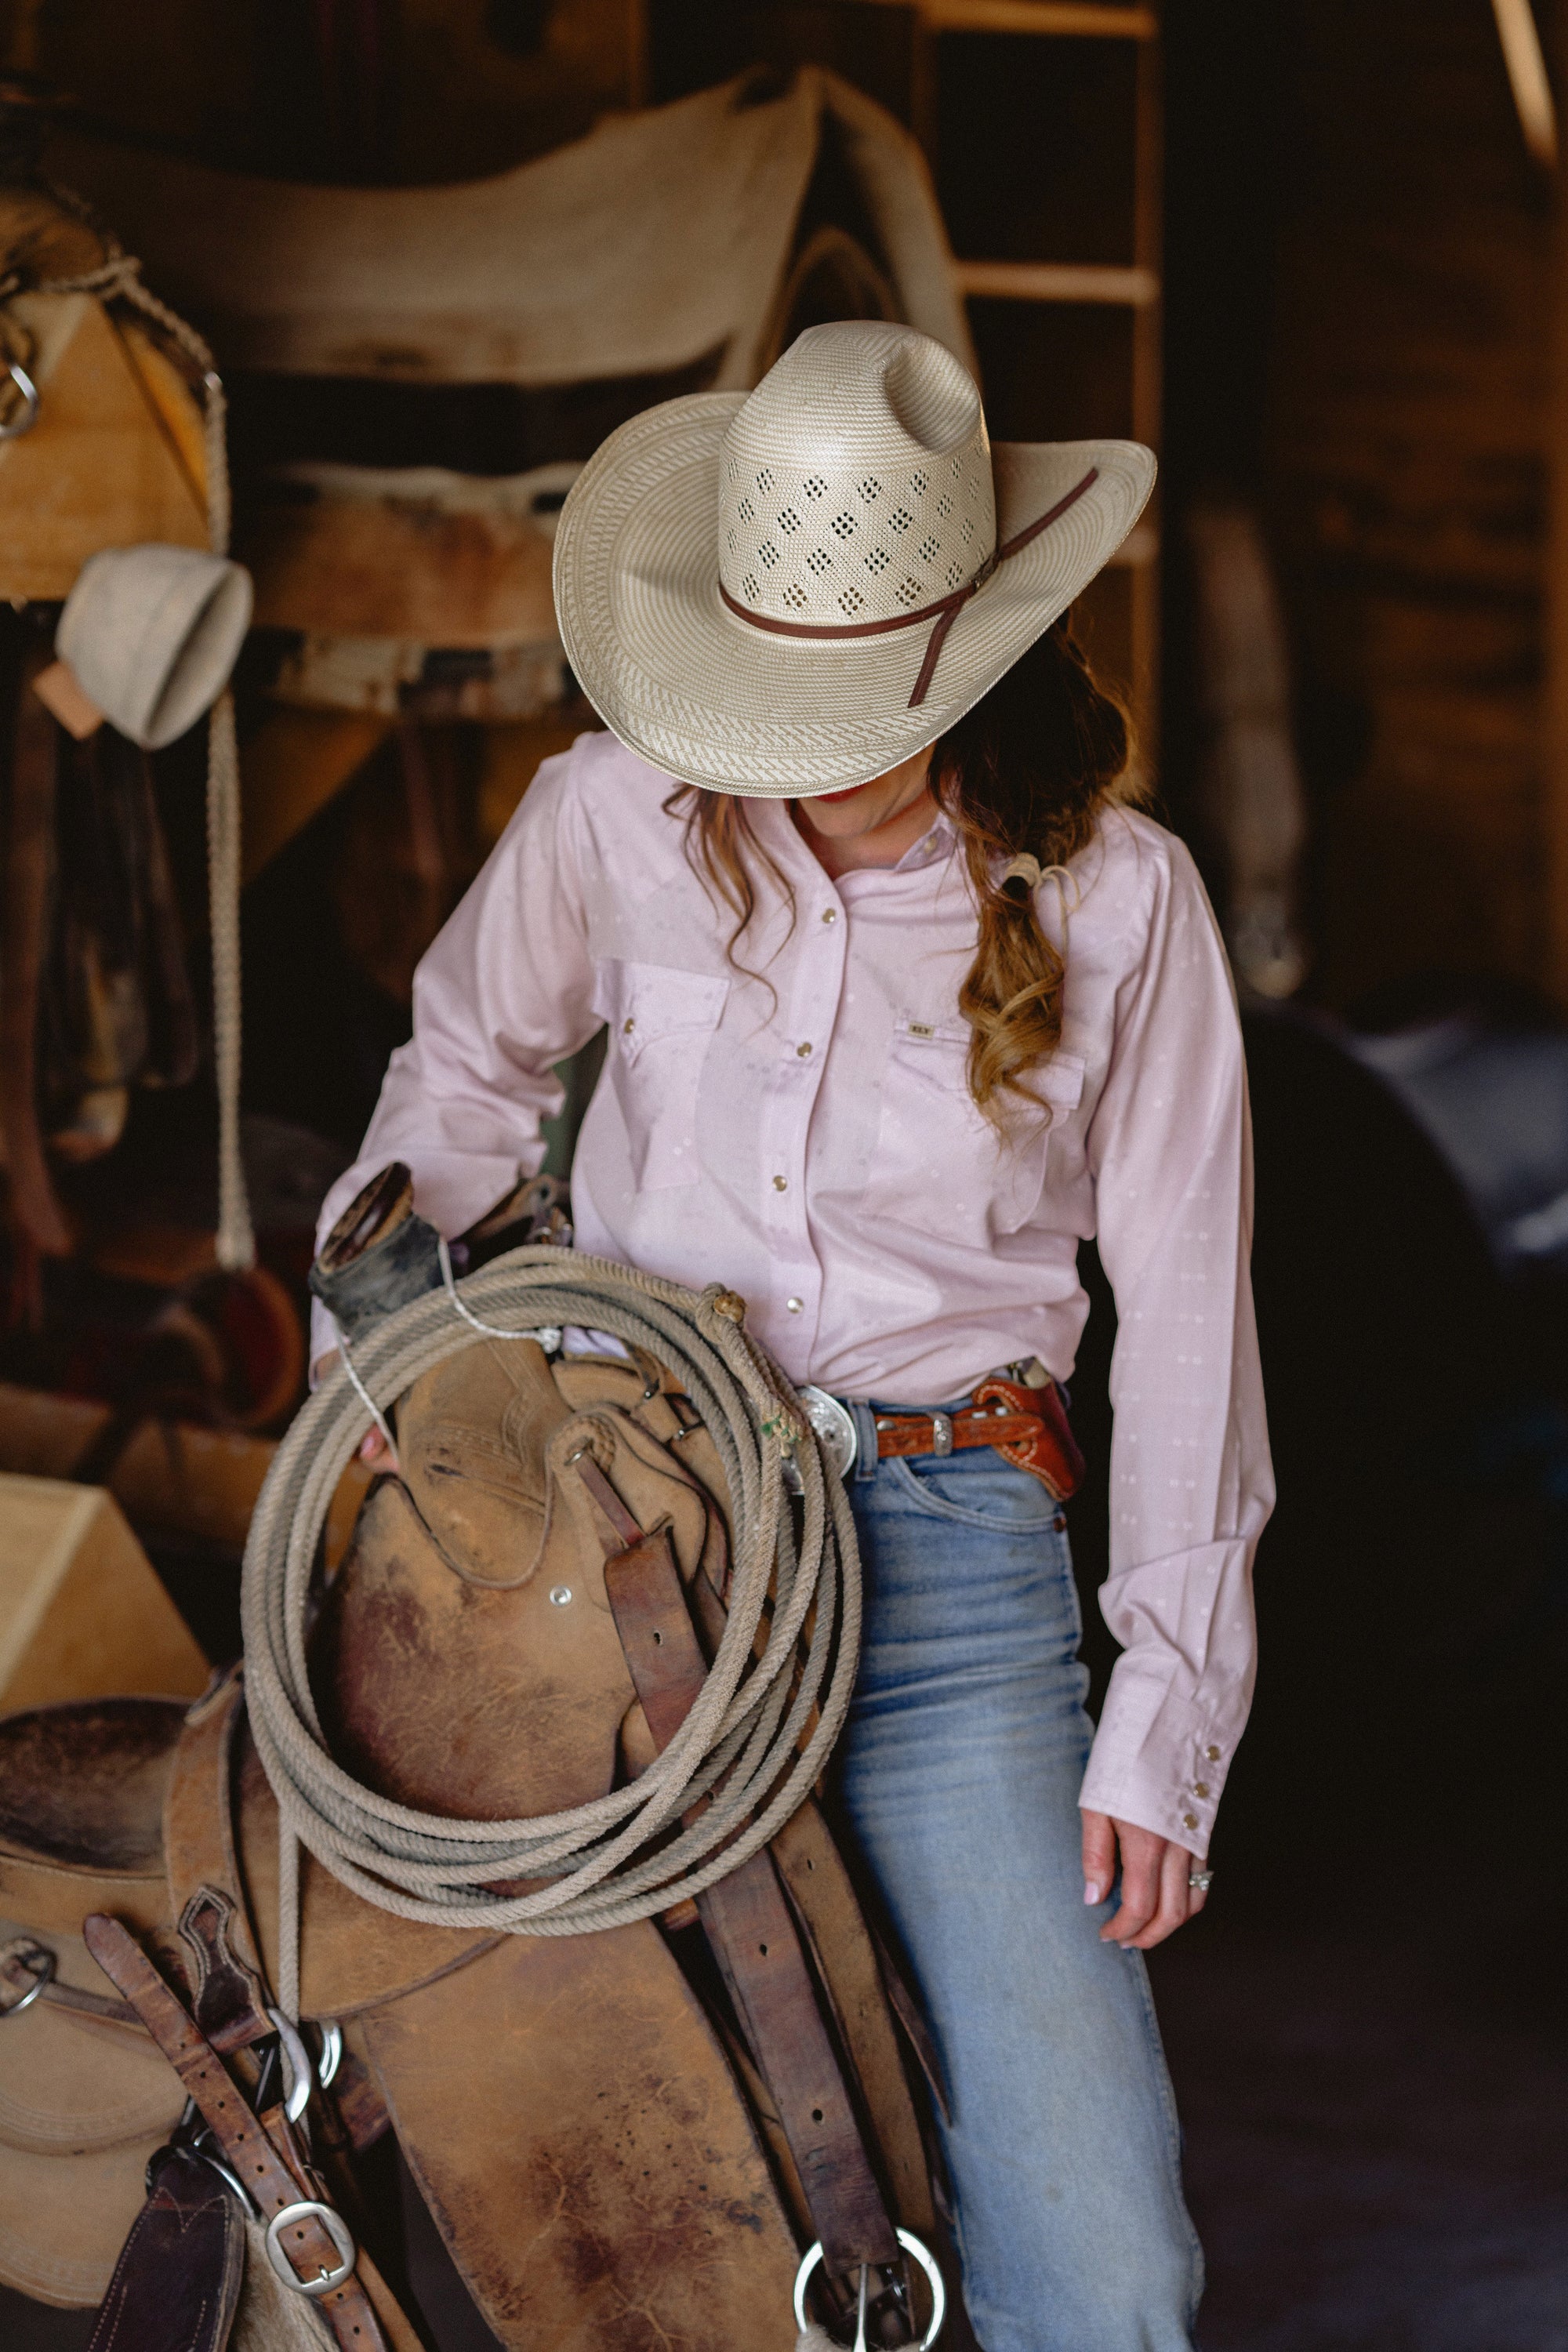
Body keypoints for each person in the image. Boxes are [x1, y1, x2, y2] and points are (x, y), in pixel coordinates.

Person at [310, 322, 1273, 2351]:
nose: (800, 748)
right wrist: (393, 1358)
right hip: (624, 1530)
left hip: (948, 1562)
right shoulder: (612, 812)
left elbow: (1191, 1313)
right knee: (617, 2215)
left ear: (974, 645)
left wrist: (1169, 1712)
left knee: (1103, 2270)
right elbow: (465, 1072)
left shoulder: (1123, 903)